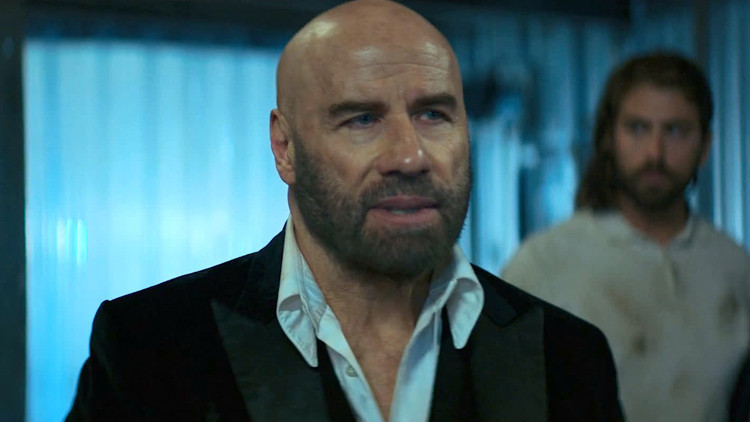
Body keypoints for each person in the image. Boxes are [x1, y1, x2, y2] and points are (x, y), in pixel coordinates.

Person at [67, 1, 624, 420]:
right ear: (285, 148)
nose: (409, 156)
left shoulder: (568, 357)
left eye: (433, 115)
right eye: (362, 119)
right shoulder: (149, 351)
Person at [502, 52, 750, 422]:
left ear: (706, 145)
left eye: (676, 130)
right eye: (637, 128)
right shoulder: (542, 263)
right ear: (609, 139)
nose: (655, 152)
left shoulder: (734, 266)